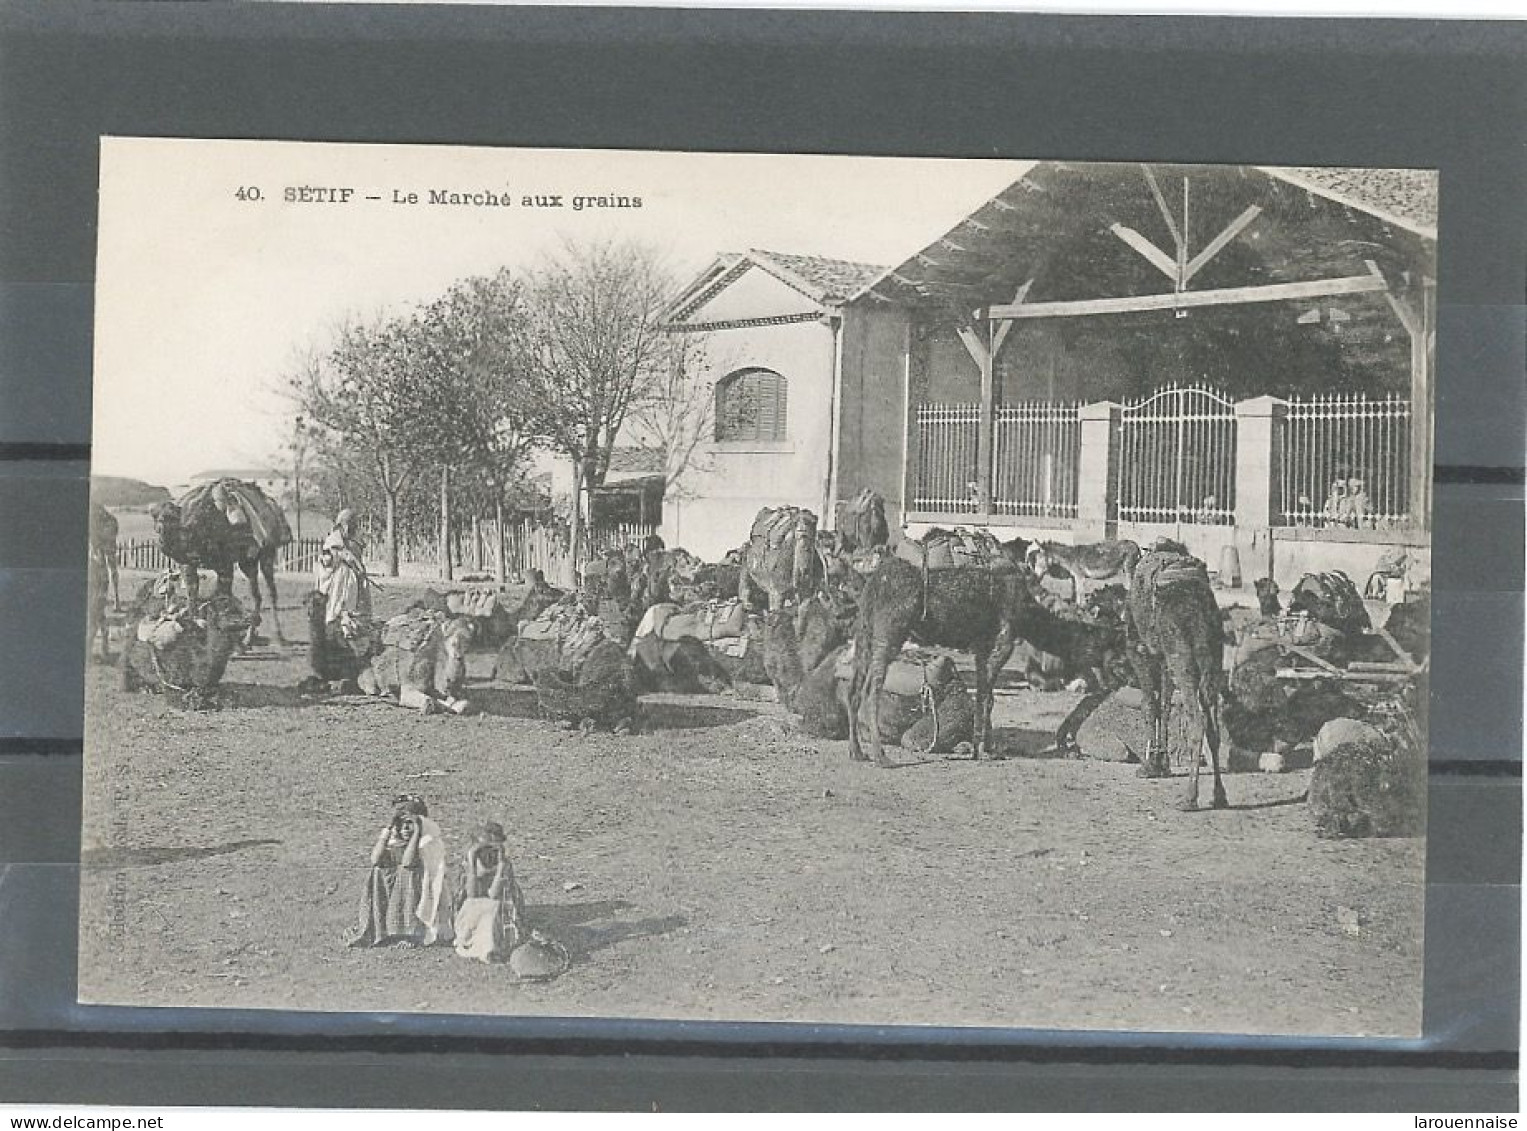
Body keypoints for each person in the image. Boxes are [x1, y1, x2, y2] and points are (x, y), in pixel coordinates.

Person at [350, 795, 450, 948]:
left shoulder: (426, 843)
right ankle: (381, 930)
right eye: (401, 824)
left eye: (409, 824)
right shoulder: (396, 842)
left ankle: (409, 934)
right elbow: (375, 859)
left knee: (406, 872)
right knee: (378, 870)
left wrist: (416, 832)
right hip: (397, 896)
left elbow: (408, 862)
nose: (405, 828)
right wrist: (389, 828)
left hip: (419, 900)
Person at [451, 821, 527, 963]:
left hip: (496, 906)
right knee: (476, 908)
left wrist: (499, 869)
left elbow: (494, 895)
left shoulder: (503, 864)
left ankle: (489, 946)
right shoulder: (469, 863)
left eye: (494, 848)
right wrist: (473, 864)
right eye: (484, 848)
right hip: (473, 906)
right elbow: (472, 894)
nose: (488, 853)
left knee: (491, 910)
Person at [316, 508, 372, 626]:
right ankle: (334, 622)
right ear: (343, 524)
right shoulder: (333, 540)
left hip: (353, 578)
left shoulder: (352, 539)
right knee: (337, 603)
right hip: (339, 579)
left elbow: (356, 554)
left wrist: (357, 565)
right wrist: (334, 556)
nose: (352, 527)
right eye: (350, 524)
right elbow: (327, 561)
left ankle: (353, 624)